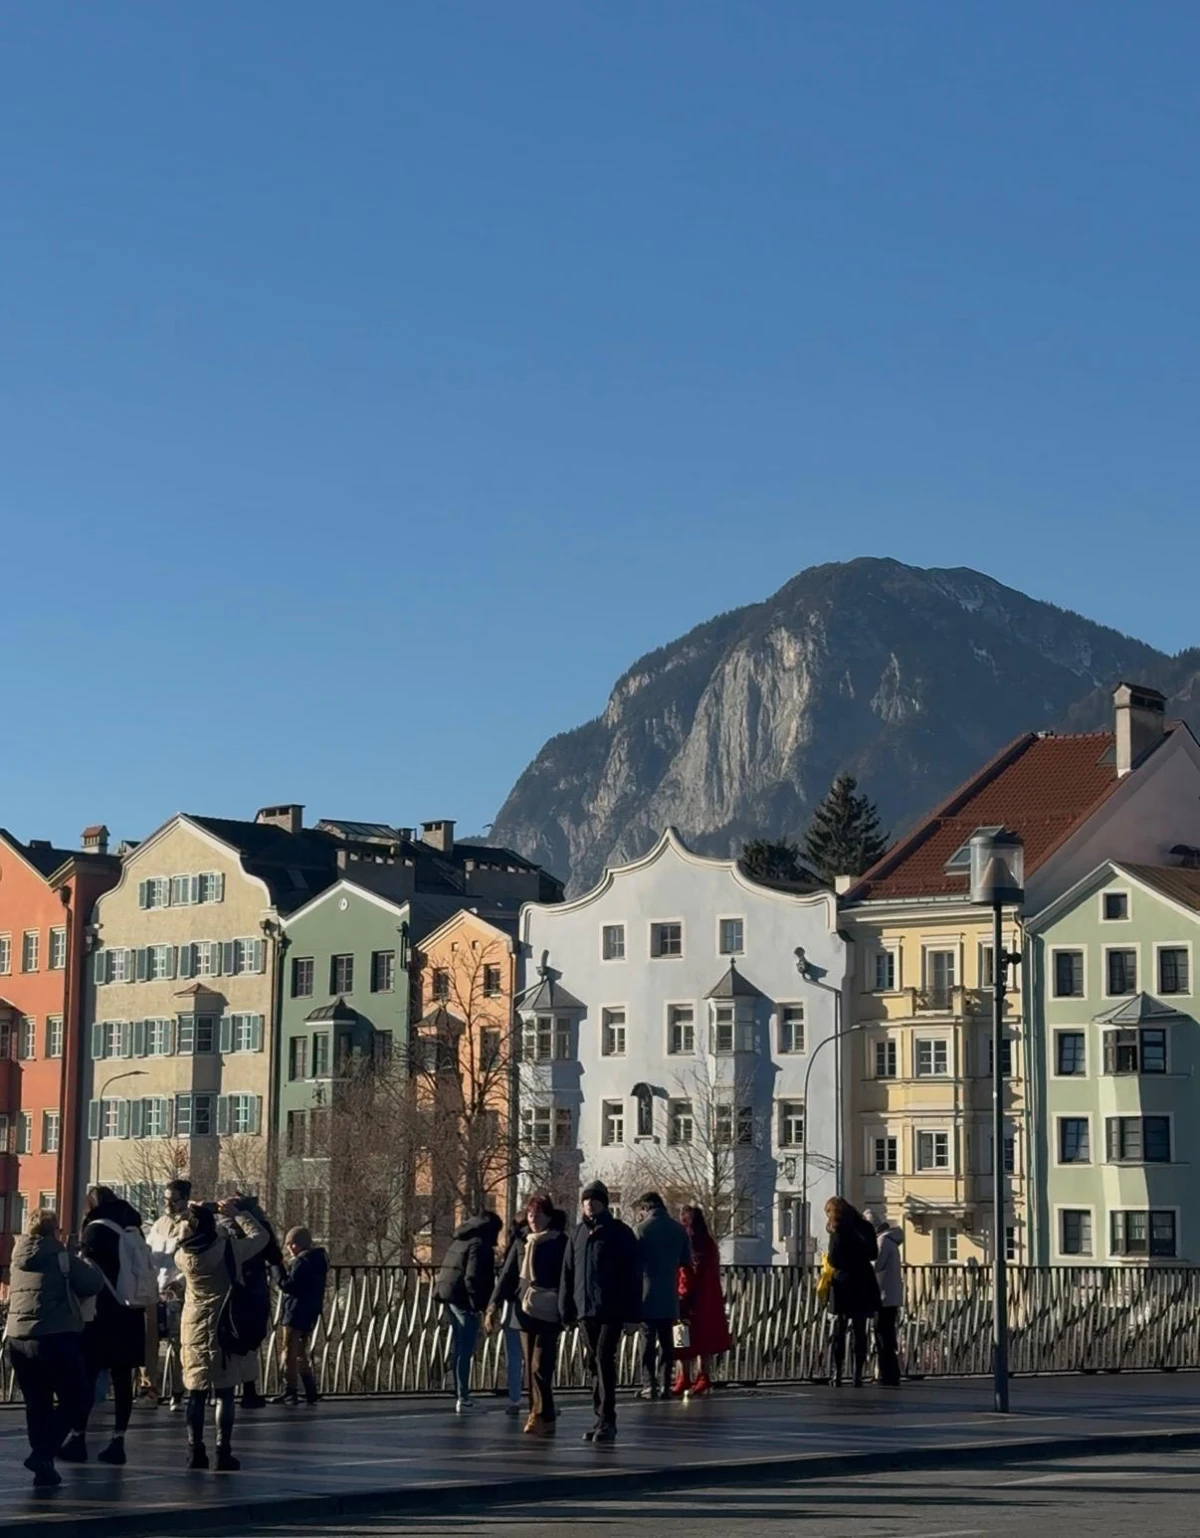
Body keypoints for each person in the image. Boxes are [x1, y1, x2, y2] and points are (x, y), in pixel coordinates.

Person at [6, 1208, 104, 1487]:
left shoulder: (17, 1257)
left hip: (18, 1338)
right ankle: (44, 1453)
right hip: (55, 1335)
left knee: (37, 1403)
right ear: (54, 1231)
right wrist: (78, 1256)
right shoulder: (61, 1256)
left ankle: (43, 1466)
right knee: (77, 1397)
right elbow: (93, 1284)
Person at [59, 1186, 151, 1466]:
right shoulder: (133, 1228)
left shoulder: (96, 1230)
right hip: (130, 1312)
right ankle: (118, 1440)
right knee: (123, 1380)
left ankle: (78, 1437)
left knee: (86, 1377)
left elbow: (85, 1275)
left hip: (101, 1315)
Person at [175, 1198, 269, 1470]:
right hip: (224, 1323)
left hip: (193, 1324)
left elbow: (184, 1232)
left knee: (196, 1390)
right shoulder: (228, 1249)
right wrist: (235, 1213)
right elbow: (260, 1238)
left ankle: (195, 1450)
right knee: (225, 1391)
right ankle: (223, 1450)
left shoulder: (182, 1256)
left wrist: (194, 1213)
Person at [559, 1180, 639, 1443]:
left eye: (594, 1200)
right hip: (585, 1310)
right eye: (585, 1201)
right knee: (593, 1362)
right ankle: (599, 1417)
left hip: (611, 1308)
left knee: (605, 1359)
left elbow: (632, 1275)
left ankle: (608, 1419)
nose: (589, 1204)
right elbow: (568, 1274)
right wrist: (566, 1310)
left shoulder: (619, 1232)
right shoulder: (577, 1233)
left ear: (604, 1204)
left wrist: (631, 1315)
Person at [486, 1195, 568, 1435]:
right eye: (531, 1215)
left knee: (539, 1365)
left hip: (550, 1309)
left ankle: (539, 1414)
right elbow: (507, 1274)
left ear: (549, 1217)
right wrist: (493, 1305)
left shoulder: (561, 1242)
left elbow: (568, 1277)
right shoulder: (522, 1241)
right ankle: (541, 1413)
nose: (533, 1220)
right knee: (530, 1364)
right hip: (524, 1310)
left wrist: (568, 1309)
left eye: (538, 1215)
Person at [434, 1211, 503, 1413]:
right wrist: (477, 1304)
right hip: (464, 1300)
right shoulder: (479, 1245)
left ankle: (460, 1393)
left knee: (458, 1346)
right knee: (467, 1347)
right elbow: (472, 1277)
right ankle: (463, 1397)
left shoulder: (462, 1238)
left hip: (449, 1296)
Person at [223, 1194, 281, 1409]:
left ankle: (221, 1390)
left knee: (226, 1341)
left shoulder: (220, 1228)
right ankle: (249, 1391)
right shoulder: (260, 1229)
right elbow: (274, 1256)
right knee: (250, 1344)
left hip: (225, 1289)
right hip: (253, 1289)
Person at [634, 1192, 690, 1400]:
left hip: (647, 1294)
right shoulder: (678, 1230)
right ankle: (667, 1384)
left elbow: (634, 1263)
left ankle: (650, 1385)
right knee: (668, 1343)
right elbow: (686, 1260)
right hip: (669, 1295)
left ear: (645, 1208)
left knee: (647, 1341)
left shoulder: (641, 1229)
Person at [672, 1205, 733, 1396]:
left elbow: (685, 1273)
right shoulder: (708, 1243)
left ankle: (684, 1378)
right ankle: (703, 1376)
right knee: (703, 1341)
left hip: (687, 1299)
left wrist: (681, 1294)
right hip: (707, 1299)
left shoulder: (686, 1243)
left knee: (682, 1339)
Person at [824, 1196, 880, 1388]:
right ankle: (857, 1374)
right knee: (860, 1330)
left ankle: (837, 1373)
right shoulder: (865, 1227)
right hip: (864, 1280)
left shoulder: (838, 1230)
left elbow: (833, 1260)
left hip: (843, 1283)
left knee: (839, 1330)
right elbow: (874, 1254)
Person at [147, 1178, 192, 1411]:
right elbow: (150, 1256)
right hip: (155, 1291)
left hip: (178, 1293)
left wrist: (180, 1282)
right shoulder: (159, 1224)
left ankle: (177, 1392)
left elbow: (195, 1261)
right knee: (149, 1342)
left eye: (173, 1200)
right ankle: (149, 1390)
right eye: (165, 1199)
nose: (168, 1205)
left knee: (178, 1345)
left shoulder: (192, 1223)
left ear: (185, 1200)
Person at [273, 1226, 328, 1406]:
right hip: (310, 1310)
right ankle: (310, 1389)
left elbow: (288, 1285)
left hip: (295, 1310)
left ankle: (291, 1390)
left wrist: (277, 1267)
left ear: (296, 1245)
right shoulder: (318, 1259)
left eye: (289, 1244)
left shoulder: (302, 1262)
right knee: (300, 1351)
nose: (288, 1248)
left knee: (289, 1351)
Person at [494, 1212, 529, 1416]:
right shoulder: (546, 1239)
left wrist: (494, 1304)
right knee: (537, 1355)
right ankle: (540, 1397)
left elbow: (506, 1275)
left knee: (514, 1355)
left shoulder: (515, 1244)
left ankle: (515, 1399)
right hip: (539, 1304)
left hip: (515, 1304)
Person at [866, 1208, 903, 1387]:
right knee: (887, 1335)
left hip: (884, 1296)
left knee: (882, 1335)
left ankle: (887, 1374)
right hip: (891, 1295)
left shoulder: (882, 1242)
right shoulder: (891, 1241)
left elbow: (876, 1265)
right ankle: (889, 1373)